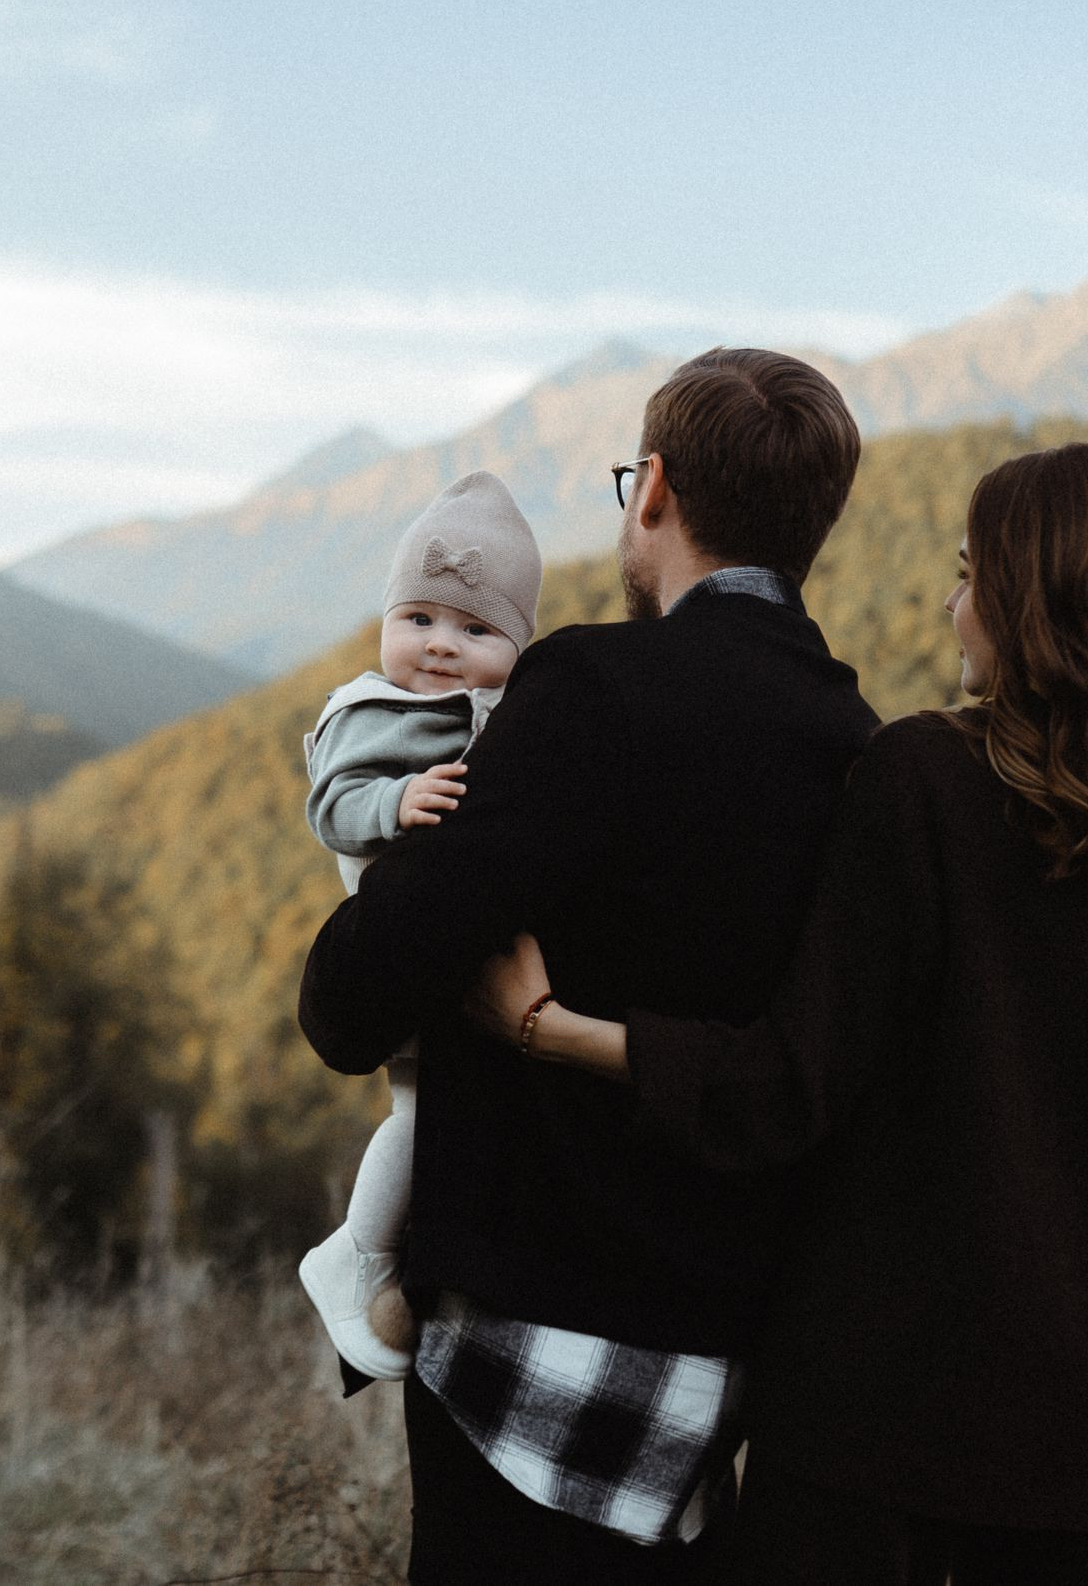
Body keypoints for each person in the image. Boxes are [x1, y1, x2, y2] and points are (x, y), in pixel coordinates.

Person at [471, 442, 1088, 1586]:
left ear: (1038, 601)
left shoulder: (930, 781)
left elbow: (784, 1084)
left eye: (971, 575)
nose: (952, 605)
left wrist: (546, 1027)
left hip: (880, 1420)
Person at [298, 348, 876, 1584]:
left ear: (653, 489)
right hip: (721, 1358)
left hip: (524, 1346)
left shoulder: (588, 687)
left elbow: (352, 1000)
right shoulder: (860, 743)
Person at [297, 469, 543, 1382]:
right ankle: (355, 1252)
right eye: (421, 620)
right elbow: (333, 804)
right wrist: (397, 800)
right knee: (420, 1112)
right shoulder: (372, 713)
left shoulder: (483, 712)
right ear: (387, 622)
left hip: (448, 956)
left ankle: (388, 1254)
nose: (442, 647)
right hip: (403, 955)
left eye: (477, 630)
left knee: (433, 1114)